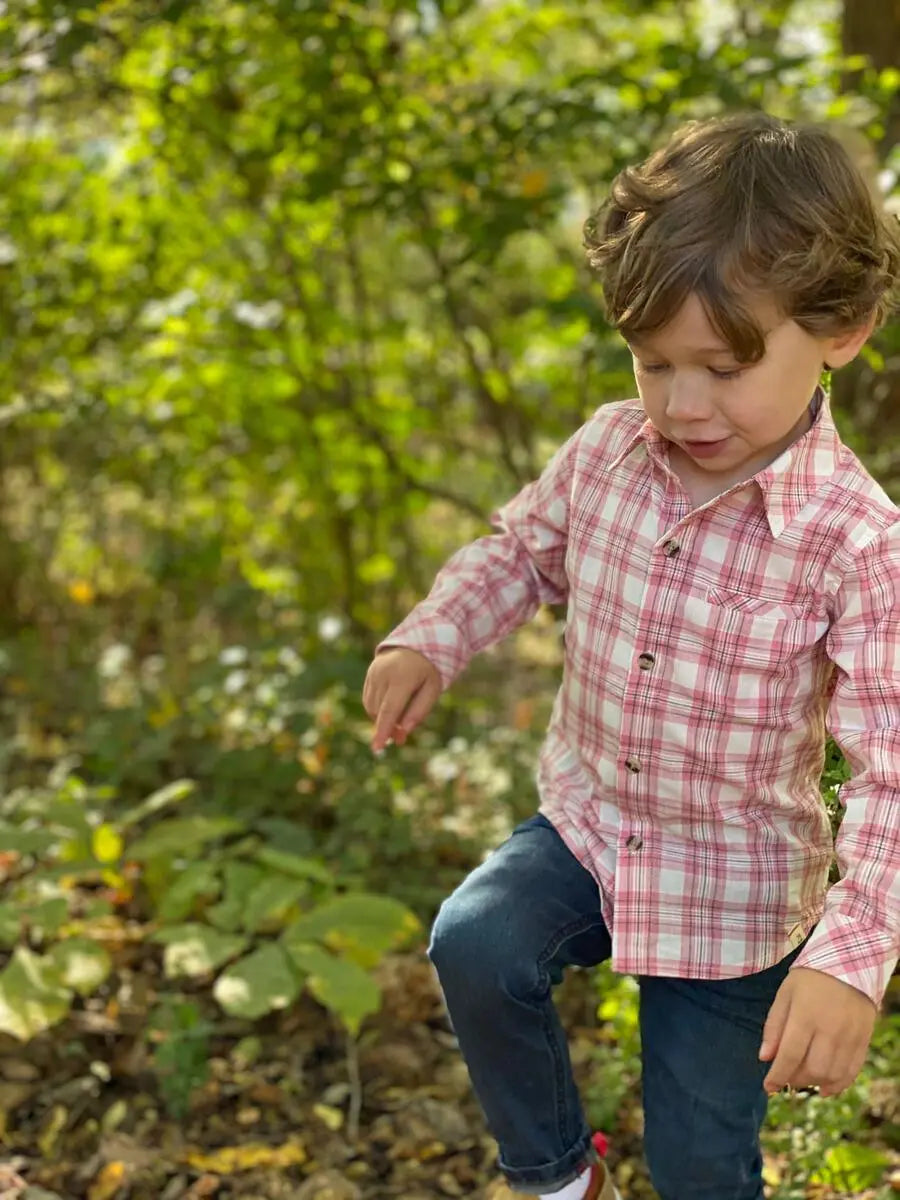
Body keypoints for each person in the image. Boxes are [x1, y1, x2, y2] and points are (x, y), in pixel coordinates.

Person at [362, 112, 900, 1200]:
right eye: (654, 361)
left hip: (735, 893)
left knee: (704, 1167)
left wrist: (853, 957)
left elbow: (893, 771)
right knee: (476, 941)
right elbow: (519, 551)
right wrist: (431, 635)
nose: (682, 403)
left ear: (841, 327)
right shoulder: (610, 451)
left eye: (724, 365)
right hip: (592, 823)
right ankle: (559, 1181)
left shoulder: (859, 544)